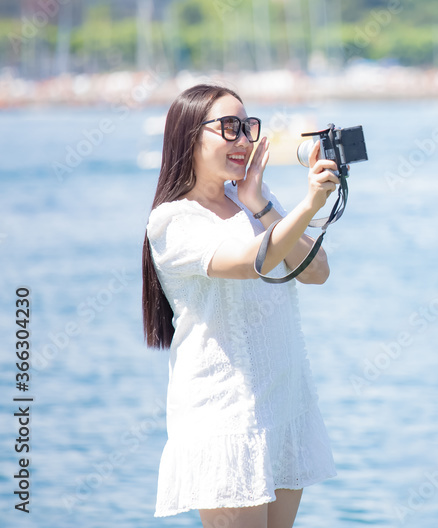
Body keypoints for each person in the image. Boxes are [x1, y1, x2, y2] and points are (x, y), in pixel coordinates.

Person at [140, 84, 341, 527]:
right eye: (228, 128)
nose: (243, 140)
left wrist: (263, 204)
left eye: (248, 127)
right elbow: (253, 261)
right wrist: (310, 204)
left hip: (284, 405)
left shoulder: (251, 201)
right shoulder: (173, 220)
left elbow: (316, 270)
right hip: (226, 416)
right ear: (189, 136)